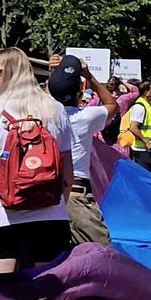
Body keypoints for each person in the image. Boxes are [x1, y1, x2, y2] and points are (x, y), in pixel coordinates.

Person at [0, 48, 73, 274]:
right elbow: (67, 168)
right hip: (51, 213)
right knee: (49, 286)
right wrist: (57, 201)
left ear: (5, 74)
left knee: (3, 288)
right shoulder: (54, 109)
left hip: (1, 214)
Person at [47, 54, 116, 246]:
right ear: (81, 90)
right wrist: (88, 75)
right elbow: (111, 104)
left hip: (46, 195)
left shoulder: (42, 116)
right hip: (76, 195)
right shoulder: (86, 117)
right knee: (101, 254)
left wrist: (54, 74)